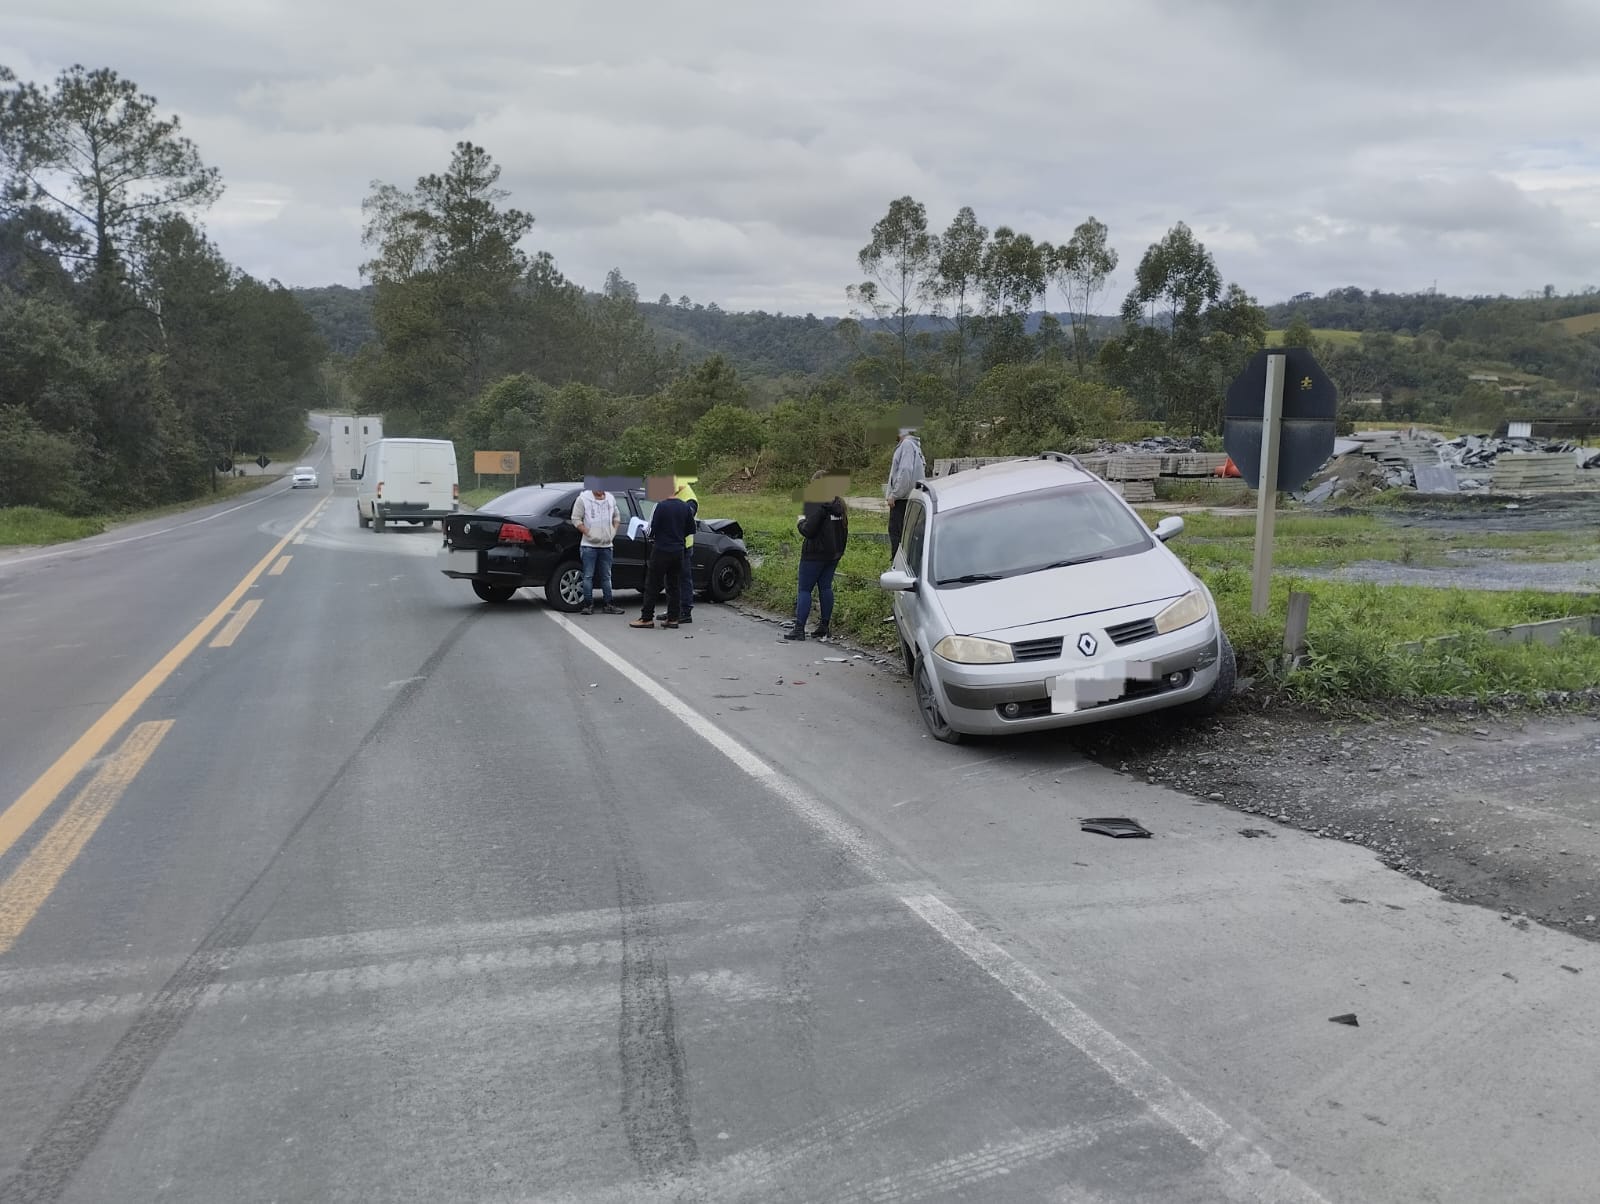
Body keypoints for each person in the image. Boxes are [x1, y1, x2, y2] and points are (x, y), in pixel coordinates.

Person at [785, 475, 848, 642]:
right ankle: (824, 627)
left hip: (814, 554)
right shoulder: (839, 504)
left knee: (805, 589)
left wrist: (800, 522)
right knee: (825, 588)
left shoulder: (818, 505)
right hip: (834, 554)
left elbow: (809, 531)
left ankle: (799, 629)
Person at [630, 484, 695, 629]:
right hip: (678, 551)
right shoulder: (685, 507)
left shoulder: (660, 507)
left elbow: (651, 531)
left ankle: (646, 618)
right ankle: (673, 618)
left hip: (661, 550)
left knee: (652, 584)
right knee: (674, 585)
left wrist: (647, 530)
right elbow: (691, 529)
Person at [571, 483, 624, 615]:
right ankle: (588, 605)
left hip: (606, 545)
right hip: (589, 545)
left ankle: (609, 604)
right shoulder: (583, 499)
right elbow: (576, 519)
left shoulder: (610, 498)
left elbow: (617, 516)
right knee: (588, 576)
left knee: (606, 576)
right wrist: (588, 533)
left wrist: (613, 531)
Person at [885, 426, 924, 558]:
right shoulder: (914, 446)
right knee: (909, 533)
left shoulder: (906, 445)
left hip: (902, 499)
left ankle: (897, 565)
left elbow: (905, 471)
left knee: (897, 533)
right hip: (910, 497)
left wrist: (894, 495)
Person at [674, 476, 699, 624]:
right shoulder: (676, 495)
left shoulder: (690, 499)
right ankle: (674, 609)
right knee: (672, 579)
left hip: (684, 545)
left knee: (684, 579)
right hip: (673, 544)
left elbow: (685, 521)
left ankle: (685, 611)